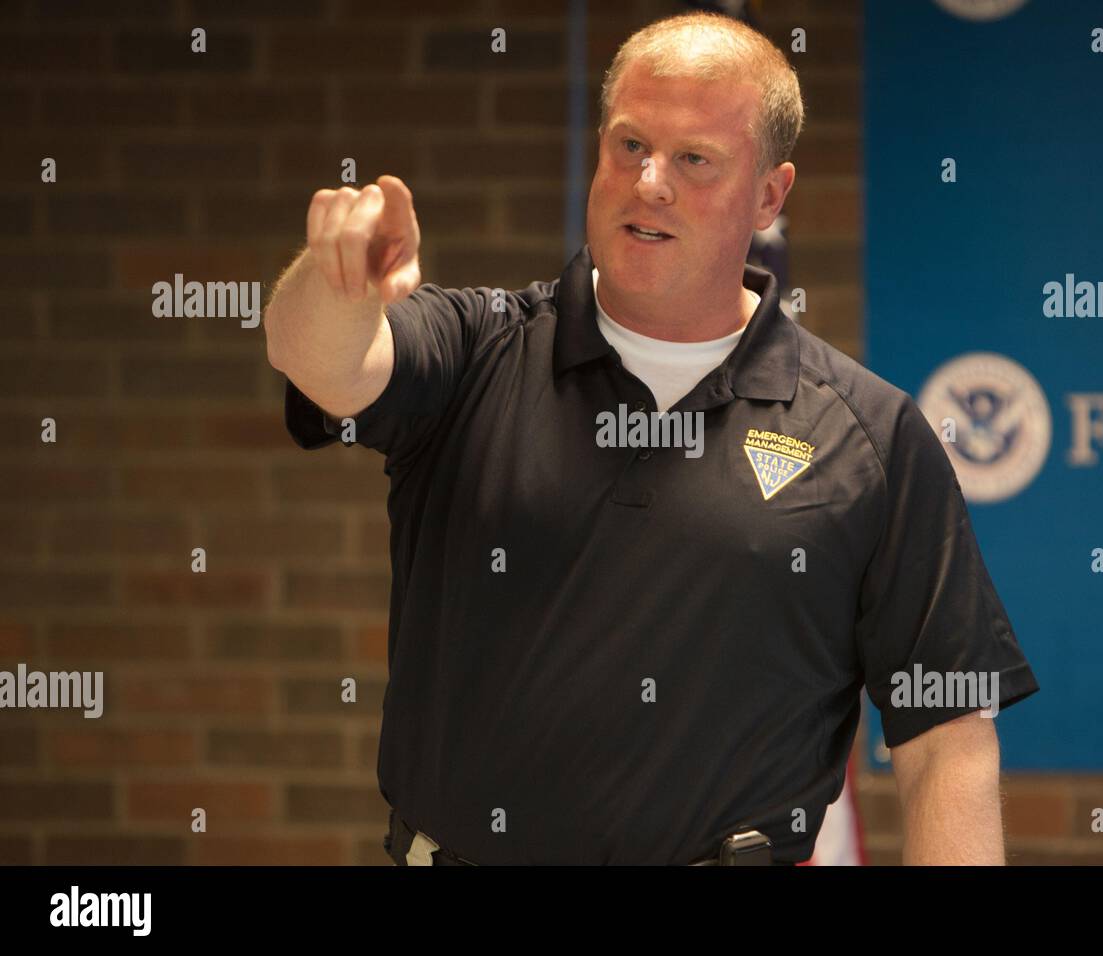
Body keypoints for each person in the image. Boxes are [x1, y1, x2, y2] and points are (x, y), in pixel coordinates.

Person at [264, 11, 1038, 866]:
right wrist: (341, 284)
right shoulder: (475, 347)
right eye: (629, 146)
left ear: (771, 194)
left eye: (694, 159)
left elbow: (947, 740)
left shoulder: (870, 434)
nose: (650, 183)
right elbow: (322, 363)